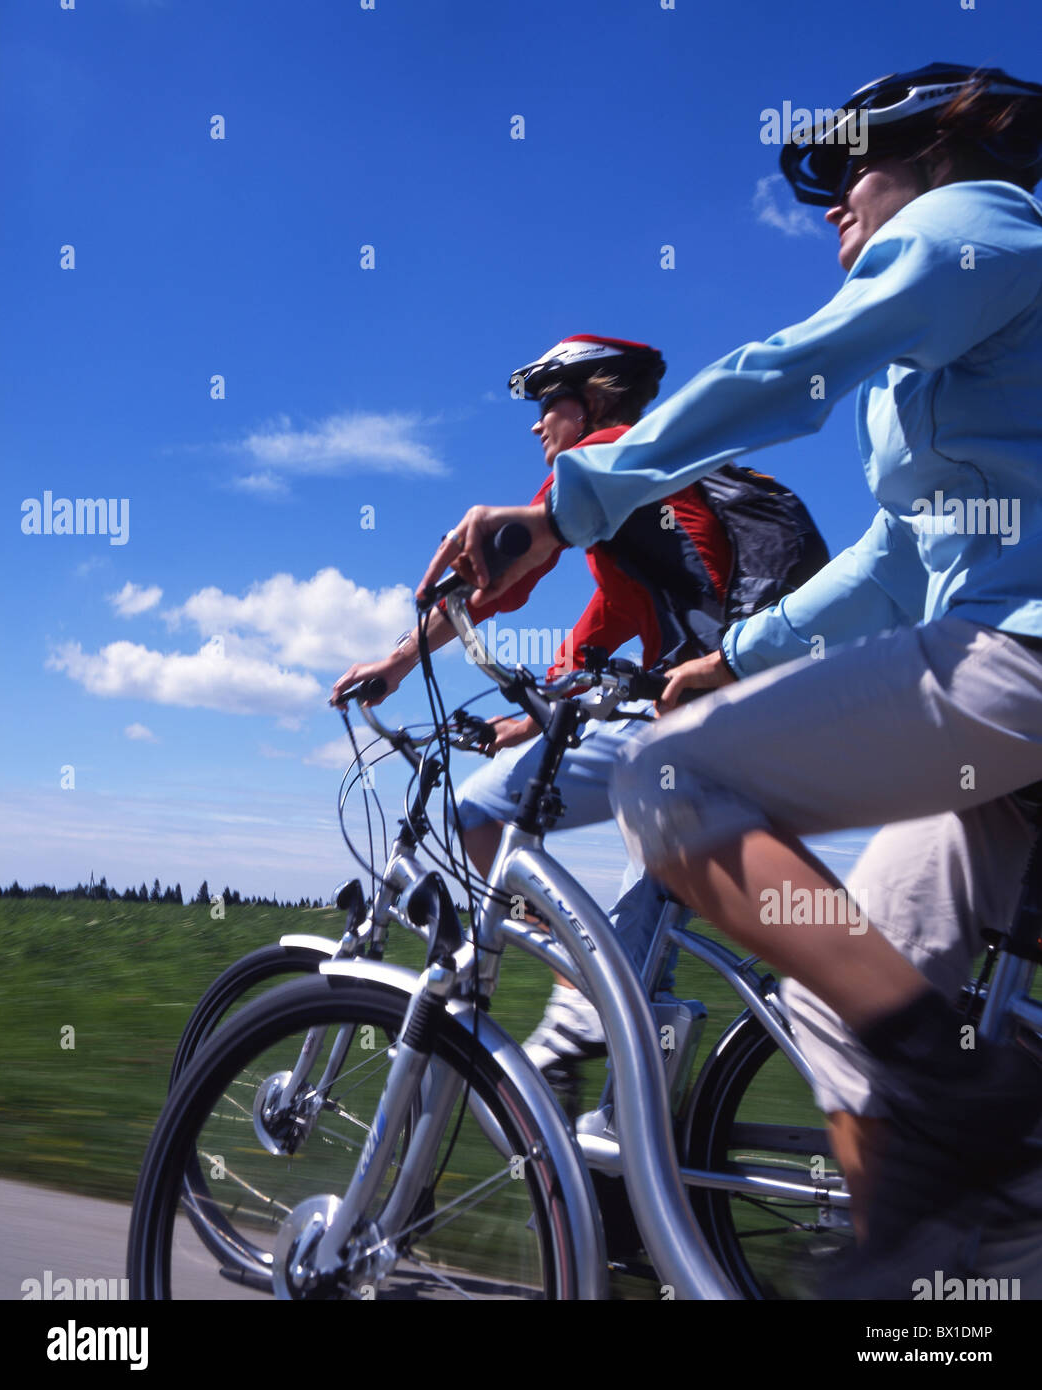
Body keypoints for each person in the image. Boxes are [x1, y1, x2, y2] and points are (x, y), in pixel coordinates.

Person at [417, 63, 1042, 1297]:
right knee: (844, 990)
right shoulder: (954, 379)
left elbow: (788, 370)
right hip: (1000, 682)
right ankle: (937, 1292)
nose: (830, 211)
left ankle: (972, 1091)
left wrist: (569, 508)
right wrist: (736, 657)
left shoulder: (978, 227)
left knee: (667, 782)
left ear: (932, 153)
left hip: (1019, 656)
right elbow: (891, 561)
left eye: (846, 172)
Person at [333, 335, 826, 1113]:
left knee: (480, 808)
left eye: (546, 407)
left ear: (590, 402)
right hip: (748, 708)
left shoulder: (609, 456)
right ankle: (636, 1140)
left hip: (702, 711)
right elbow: (602, 629)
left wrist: (396, 663)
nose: (537, 428)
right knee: (646, 917)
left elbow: (499, 577)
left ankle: (573, 1007)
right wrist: (525, 721)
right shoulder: (647, 509)